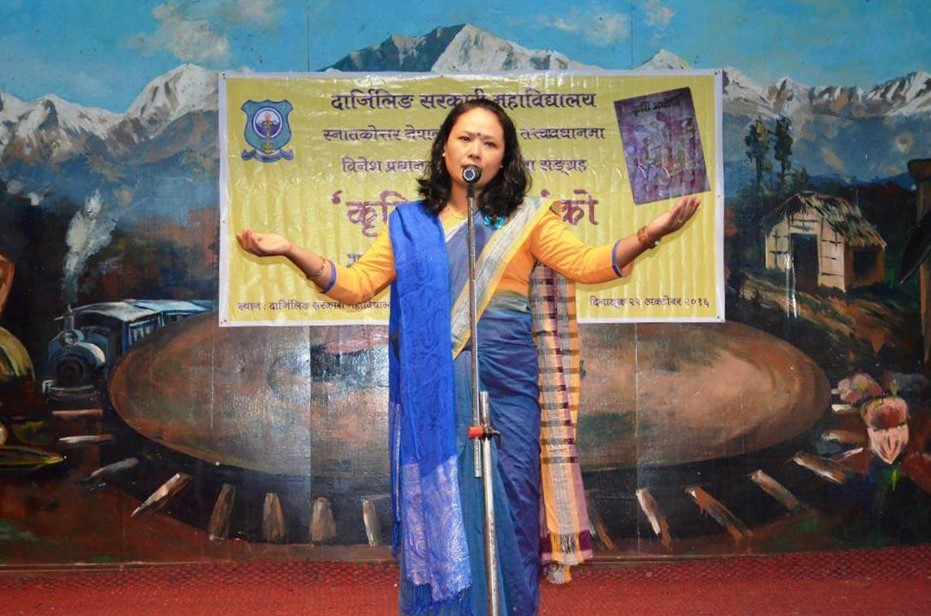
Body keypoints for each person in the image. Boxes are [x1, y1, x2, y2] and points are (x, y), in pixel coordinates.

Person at [237, 98, 700, 615]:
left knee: (514, 507)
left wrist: (647, 236)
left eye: (489, 142)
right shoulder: (408, 225)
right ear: (444, 149)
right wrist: (289, 249)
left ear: (504, 159)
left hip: (510, 391)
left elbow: (588, 263)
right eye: (465, 137)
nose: (475, 148)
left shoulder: (528, 222)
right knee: (442, 504)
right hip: (434, 394)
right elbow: (355, 285)